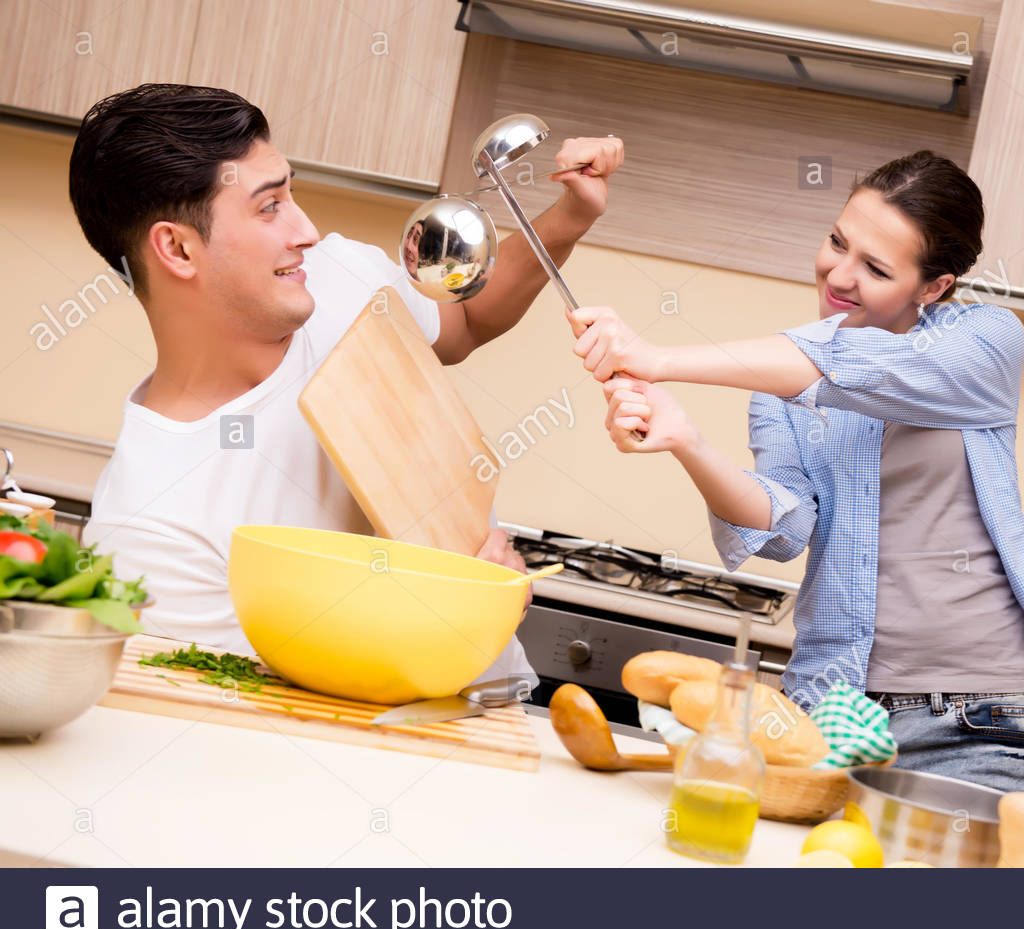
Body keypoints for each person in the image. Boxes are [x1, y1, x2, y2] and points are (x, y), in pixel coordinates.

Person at [73, 83, 625, 687]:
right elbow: (262, 718)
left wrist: (572, 216)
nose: (306, 230)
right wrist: (457, 618)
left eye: (291, 194)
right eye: (269, 206)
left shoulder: (336, 278)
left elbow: (463, 321)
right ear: (176, 248)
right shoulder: (149, 525)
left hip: (500, 711)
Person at [568, 151, 1024, 793]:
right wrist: (687, 441)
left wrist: (655, 358)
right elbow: (784, 528)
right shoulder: (777, 380)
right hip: (831, 709)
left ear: (934, 287)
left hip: (976, 724)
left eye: (876, 267)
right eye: (838, 242)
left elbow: (857, 367)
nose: (839, 275)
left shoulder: (985, 341)